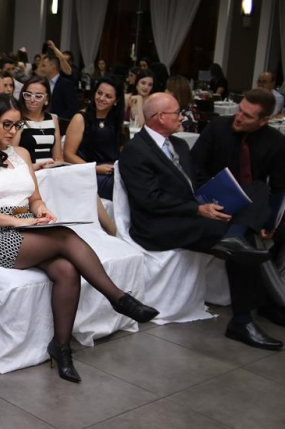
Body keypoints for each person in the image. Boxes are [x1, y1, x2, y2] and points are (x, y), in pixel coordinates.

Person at [0, 94, 158, 383]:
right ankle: (118, 298)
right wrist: (16, 221)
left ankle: (61, 348)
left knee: (67, 269)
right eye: (6, 124)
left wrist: (42, 210)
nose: (12, 131)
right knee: (65, 236)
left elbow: (34, 198)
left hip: (26, 227)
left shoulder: (22, 154)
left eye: (17, 125)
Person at [119, 93, 279, 350]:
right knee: (243, 238)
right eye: (177, 112)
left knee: (258, 189)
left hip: (189, 213)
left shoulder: (179, 145)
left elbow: (196, 180)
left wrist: (218, 196)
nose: (182, 117)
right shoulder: (135, 151)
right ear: (160, 117)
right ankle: (242, 320)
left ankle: (234, 238)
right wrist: (197, 209)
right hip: (158, 225)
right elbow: (150, 201)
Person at [191, 88, 285, 336]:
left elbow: (279, 188)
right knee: (257, 191)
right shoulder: (217, 127)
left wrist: (271, 225)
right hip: (214, 199)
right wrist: (208, 198)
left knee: (265, 210)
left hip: (250, 207)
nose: (239, 117)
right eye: (239, 110)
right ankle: (243, 318)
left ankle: (270, 300)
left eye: (247, 116)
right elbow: (194, 167)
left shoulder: (276, 142)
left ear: (264, 120)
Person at [64, 76, 124, 200]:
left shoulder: (115, 121)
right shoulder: (81, 118)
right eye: (99, 93)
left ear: (116, 101)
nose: (101, 98)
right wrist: (94, 169)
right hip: (88, 172)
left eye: (108, 96)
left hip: (112, 171)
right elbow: (68, 155)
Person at [17, 76, 64, 169]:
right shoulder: (19, 119)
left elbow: (58, 158)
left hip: (50, 172)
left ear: (46, 99)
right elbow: (12, 154)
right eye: (28, 95)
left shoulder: (52, 119)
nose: (32, 100)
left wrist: (55, 165)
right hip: (28, 171)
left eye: (38, 96)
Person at [36, 54, 78, 119]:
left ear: (53, 67)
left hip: (58, 121)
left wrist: (56, 119)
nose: (41, 69)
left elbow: (72, 109)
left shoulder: (66, 84)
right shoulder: (43, 83)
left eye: (44, 66)